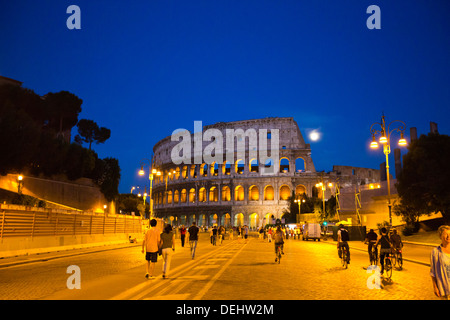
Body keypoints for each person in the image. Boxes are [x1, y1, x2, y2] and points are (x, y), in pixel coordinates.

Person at [430, 225, 450, 299]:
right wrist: (435, 287)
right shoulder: (435, 252)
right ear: (440, 236)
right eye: (445, 234)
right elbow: (433, 272)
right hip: (445, 289)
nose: (448, 236)